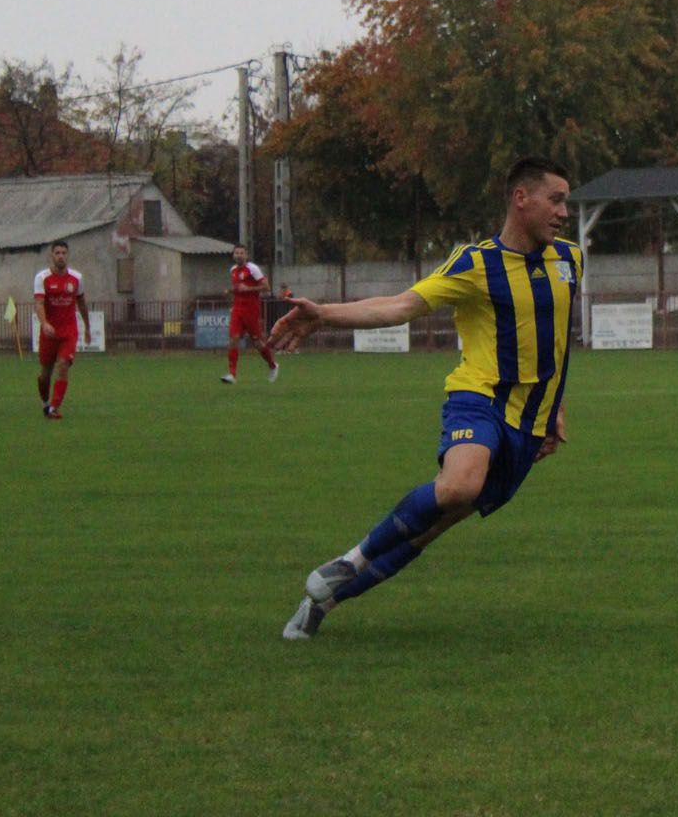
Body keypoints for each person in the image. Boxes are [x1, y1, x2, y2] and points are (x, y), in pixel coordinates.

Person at [271, 157, 581, 640]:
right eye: (556, 199)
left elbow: (554, 341)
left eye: (566, 201)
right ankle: (350, 560)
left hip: (528, 421)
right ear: (522, 199)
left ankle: (323, 603)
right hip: (477, 398)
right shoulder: (475, 263)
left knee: (430, 528)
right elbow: (400, 306)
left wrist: (554, 407)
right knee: (458, 486)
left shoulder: (570, 260)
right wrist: (324, 315)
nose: (565, 211)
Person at [33, 241, 90, 420]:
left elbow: (82, 303)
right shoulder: (42, 278)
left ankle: (54, 408)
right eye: (57, 253)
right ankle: (45, 403)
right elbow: (39, 303)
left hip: (68, 332)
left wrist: (87, 327)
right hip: (49, 333)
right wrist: (44, 323)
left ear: (68, 255)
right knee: (45, 375)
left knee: (63, 365)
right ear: (52, 256)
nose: (61, 256)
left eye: (64, 253)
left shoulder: (76, 278)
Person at [222, 244, 280, 384]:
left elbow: (266, 287)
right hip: (237, 310)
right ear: (233, 255)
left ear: (246, 255)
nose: (239, 255)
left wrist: (248, 288)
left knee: (257, 342)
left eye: (242, 253)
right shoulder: (233, 270)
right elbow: (239, 288)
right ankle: (232, 374)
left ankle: (273, 365)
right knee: (233, 338)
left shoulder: (252, 269)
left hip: (251, 310)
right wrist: (231, 292)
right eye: (236, 253)